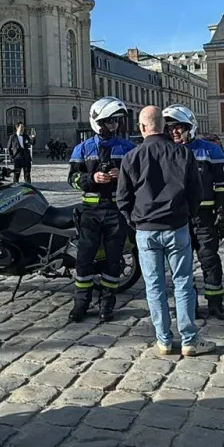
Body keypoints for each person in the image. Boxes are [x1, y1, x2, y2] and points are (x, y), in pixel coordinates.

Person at [118, 105, 214, 356]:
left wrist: (135, 222)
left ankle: (163, 339)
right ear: (163, 126)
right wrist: (186, 215)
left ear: (141, 128)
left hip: (146, 230)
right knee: (183, 284)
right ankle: (190, 340)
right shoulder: (183, 154)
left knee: (154, 286)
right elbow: (197, 193)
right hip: (177, 227)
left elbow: (122, 198)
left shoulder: (131, 157)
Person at [68, 97, 136, 322]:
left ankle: (107, 305)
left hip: (116, 213)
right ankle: (81, 304)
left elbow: (139, 178)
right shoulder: (83, 149)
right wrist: (91, 177)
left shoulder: (127, 148)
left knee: (113, 261)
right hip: (90, 214)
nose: (114, 126)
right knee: (84, 261)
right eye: (109, 122)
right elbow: (73, 179)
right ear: (98, 122)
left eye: (116, 121)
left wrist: (123, 175)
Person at [163, 104, 224, 320]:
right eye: (170, 127)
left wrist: (222, 214)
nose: (174, 131)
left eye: (178, 127)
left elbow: (222, 185)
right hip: (177, 217)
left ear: (189, 127)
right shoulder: (166, 151)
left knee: (209, 259)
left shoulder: (210, 150)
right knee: (181, 264)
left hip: (203, 217)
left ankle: (215, 303)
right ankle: (189, 305)